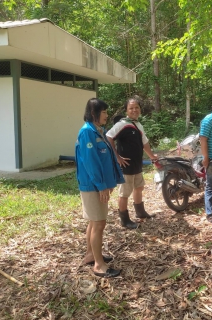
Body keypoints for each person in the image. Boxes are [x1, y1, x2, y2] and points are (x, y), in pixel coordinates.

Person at [76, 98, 125, 278]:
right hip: (93, 186)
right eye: (103, 112)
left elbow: (107, 158)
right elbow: (91, 163)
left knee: (94, 221)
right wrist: (102, 186)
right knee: (99, 223)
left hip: (98, 184)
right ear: (94, 113)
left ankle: (91, 254)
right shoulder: (87, 133)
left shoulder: (99, 131)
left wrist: (111, 181)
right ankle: (99, 265)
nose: (106, 115)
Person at [106, 97, 158, 229]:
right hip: (126, 166)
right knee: (124, 193)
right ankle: (124, 220)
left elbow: (144, 143)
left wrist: (152, 156)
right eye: (131, 108)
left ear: (140, 109)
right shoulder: (122, 124)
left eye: (136, 107)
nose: (134, 110)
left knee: (139, 187)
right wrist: (117, 157)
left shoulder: (138, 124)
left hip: (137, 164)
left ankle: (140, 212)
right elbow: (109, 137)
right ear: (126, 110)